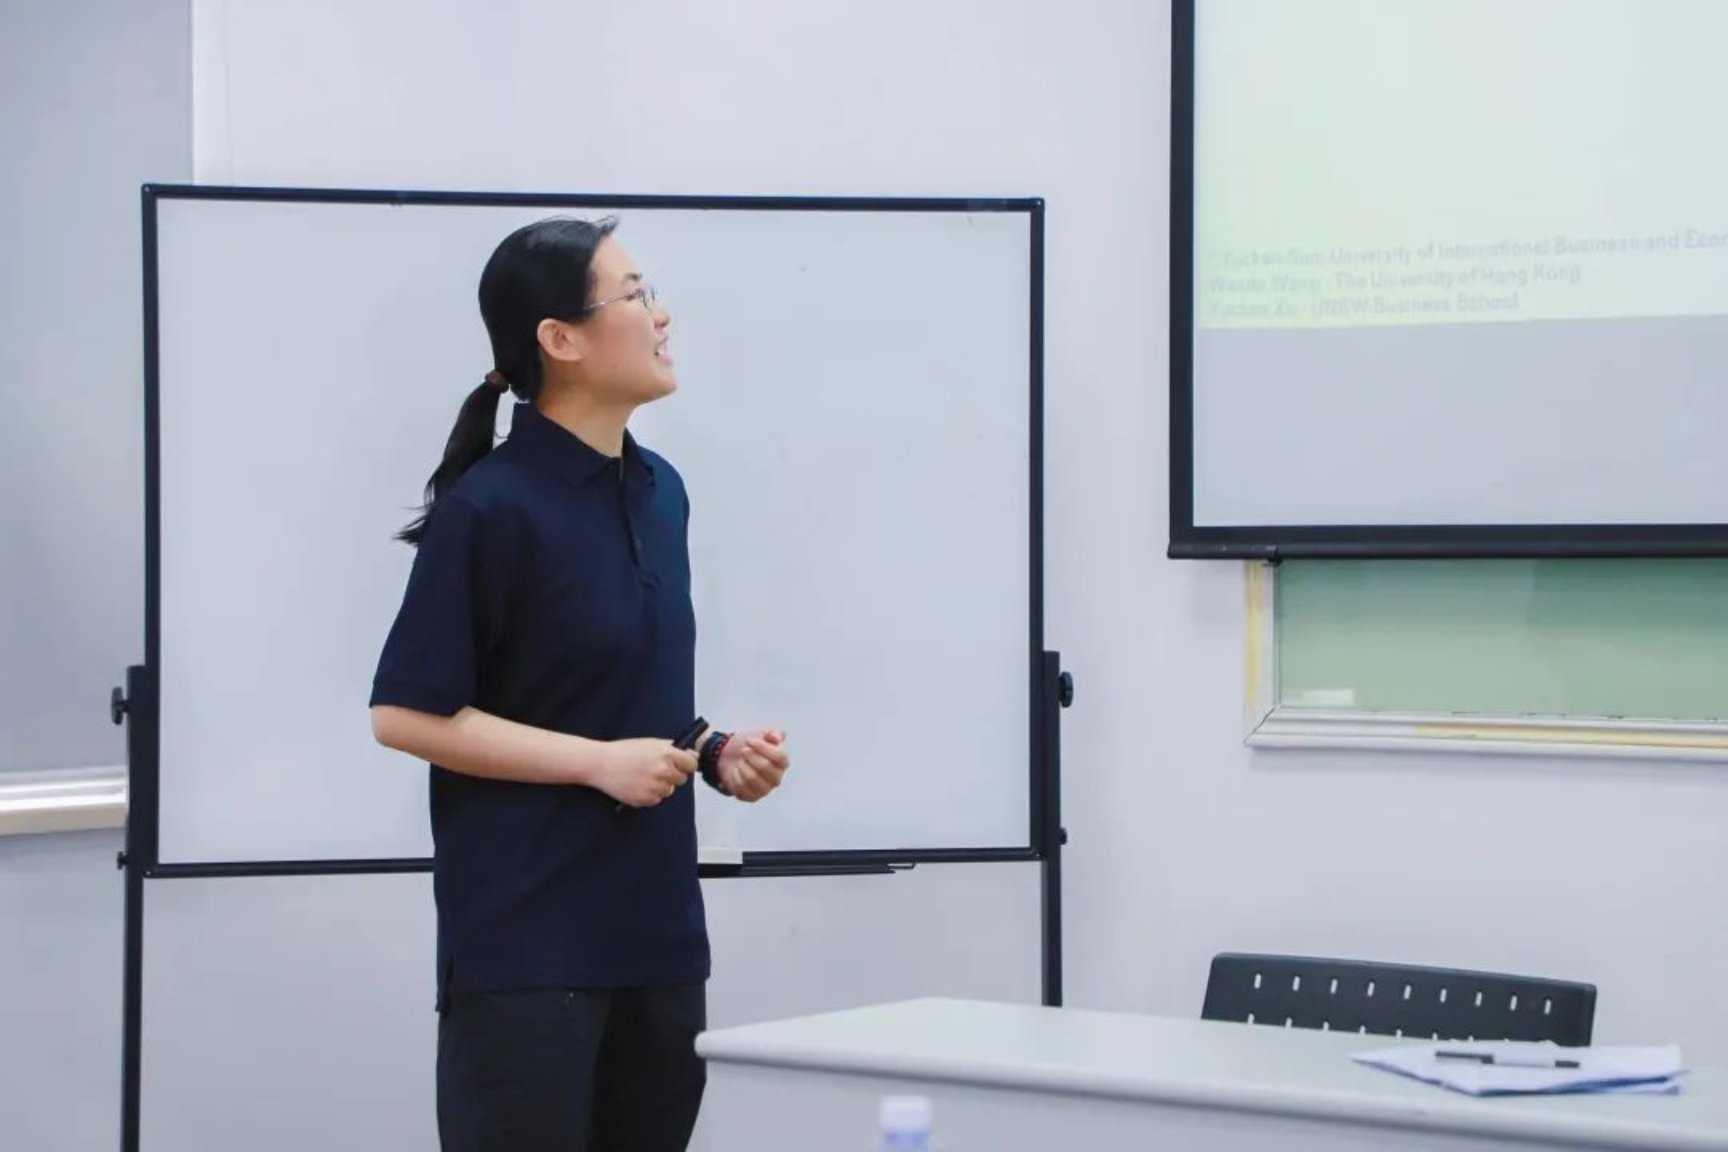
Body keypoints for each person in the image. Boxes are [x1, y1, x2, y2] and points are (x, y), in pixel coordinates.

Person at [368, 215, 791, 1152]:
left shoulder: (661, 490)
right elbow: (403, 714)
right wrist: (597, 764)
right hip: (528, 950)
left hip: (657, 940)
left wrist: (715, 752)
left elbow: (612, 695)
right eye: (635, 295)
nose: (661, 314)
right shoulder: (489, 509)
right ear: (560, 340)